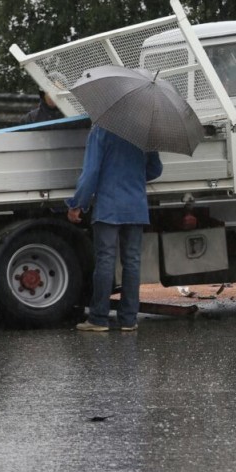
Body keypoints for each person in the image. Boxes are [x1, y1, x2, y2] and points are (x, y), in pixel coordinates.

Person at [66, 125, 163, 331]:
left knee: (105, 261)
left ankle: (98, 318)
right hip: (136, 206)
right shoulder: (144, 132)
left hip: (109, 207)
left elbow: (91, 172)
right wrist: (133, 178)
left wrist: (78, 203)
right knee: (132, 262)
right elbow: (156, 169)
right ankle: (129, 319)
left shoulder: (101, 130)